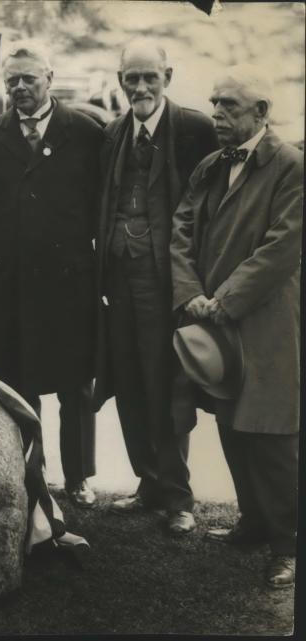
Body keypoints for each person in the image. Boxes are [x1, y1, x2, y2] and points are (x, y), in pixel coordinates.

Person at [169, 65, 302, 589]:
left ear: (262, 113)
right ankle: (253, 521)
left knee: (273, 434)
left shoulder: (291, 166)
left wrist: (221, 301)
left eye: (229, 105)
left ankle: (287, 545)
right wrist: (189, 295)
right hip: (215, 320)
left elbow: (282, 248)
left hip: (266, 322)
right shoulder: (209, 165)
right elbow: (181, 231)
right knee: (230, 423)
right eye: (214, 103)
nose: (217, 114)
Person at [93, 40, 218, 535]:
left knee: (168, 384)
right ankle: (148, 482)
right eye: (132, 78)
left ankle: (178, 497)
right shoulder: (113, 132)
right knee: (127, 380)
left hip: (169, 282)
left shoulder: (194, 129)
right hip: (119, 279)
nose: (140, 87)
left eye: (150, 77)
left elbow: (216, 208)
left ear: (167, 75)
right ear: (120, 78)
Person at [0, 42, 102, 507]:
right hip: (9, 276)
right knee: (15, 377)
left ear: (50, 77)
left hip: (69, 277)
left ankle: (79, 477)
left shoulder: (85, 132)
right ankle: (30, 472)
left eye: (29, 78)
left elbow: (95, 202)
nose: (20, 87)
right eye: (12, 80)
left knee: (74, 381)